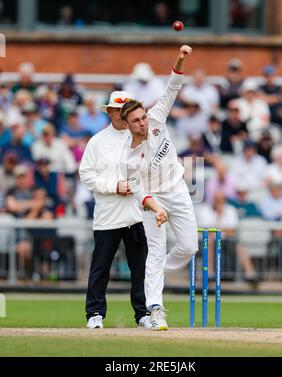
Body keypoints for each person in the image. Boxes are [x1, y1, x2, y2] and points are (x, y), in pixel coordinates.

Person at [120, 45, 198, 331]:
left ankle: (154, 274)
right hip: (153, 201)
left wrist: (180, 58)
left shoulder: (156, 118)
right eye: (136, 121)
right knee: (154, 250)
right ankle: (156, 309)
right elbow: (137, 190)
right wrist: (156, 207)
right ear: (126, 124)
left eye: (142, 117)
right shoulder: (127, 155)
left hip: (177, 189)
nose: (142, 123)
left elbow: (172, 87)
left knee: (189, 246)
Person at [79, 91, 167, 330]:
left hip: (137, 214)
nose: (121, 115)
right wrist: (113, 187)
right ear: (109, 112)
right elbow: (86, 175)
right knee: (101, 267)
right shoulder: (97, 141)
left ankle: (142, 314)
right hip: (108, 214)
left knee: (140, 269)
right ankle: (95, 313)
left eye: (124, 111)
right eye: (117, 110)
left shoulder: (140, 138)